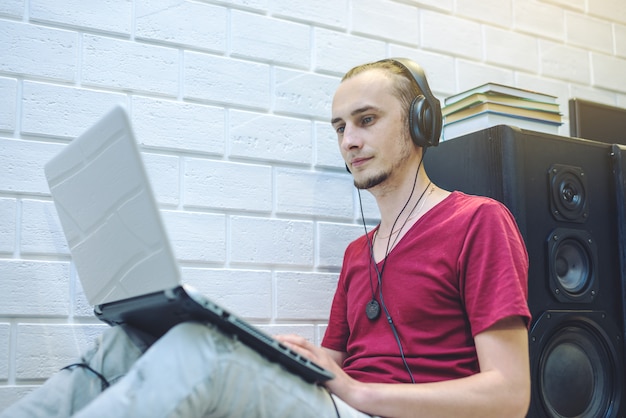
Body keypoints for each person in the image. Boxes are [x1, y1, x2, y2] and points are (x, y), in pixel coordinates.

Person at [1, 58, 531, 418]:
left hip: (370, 410)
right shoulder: (357, 254)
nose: (349, 141)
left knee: (198, 350)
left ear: (420, 124)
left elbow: (510, 394)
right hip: (342, 405)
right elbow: (338, 361)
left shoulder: (478, 221)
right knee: (129, 341)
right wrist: (298, 357)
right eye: (339, 127)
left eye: (365, 120)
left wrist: (356, 390)